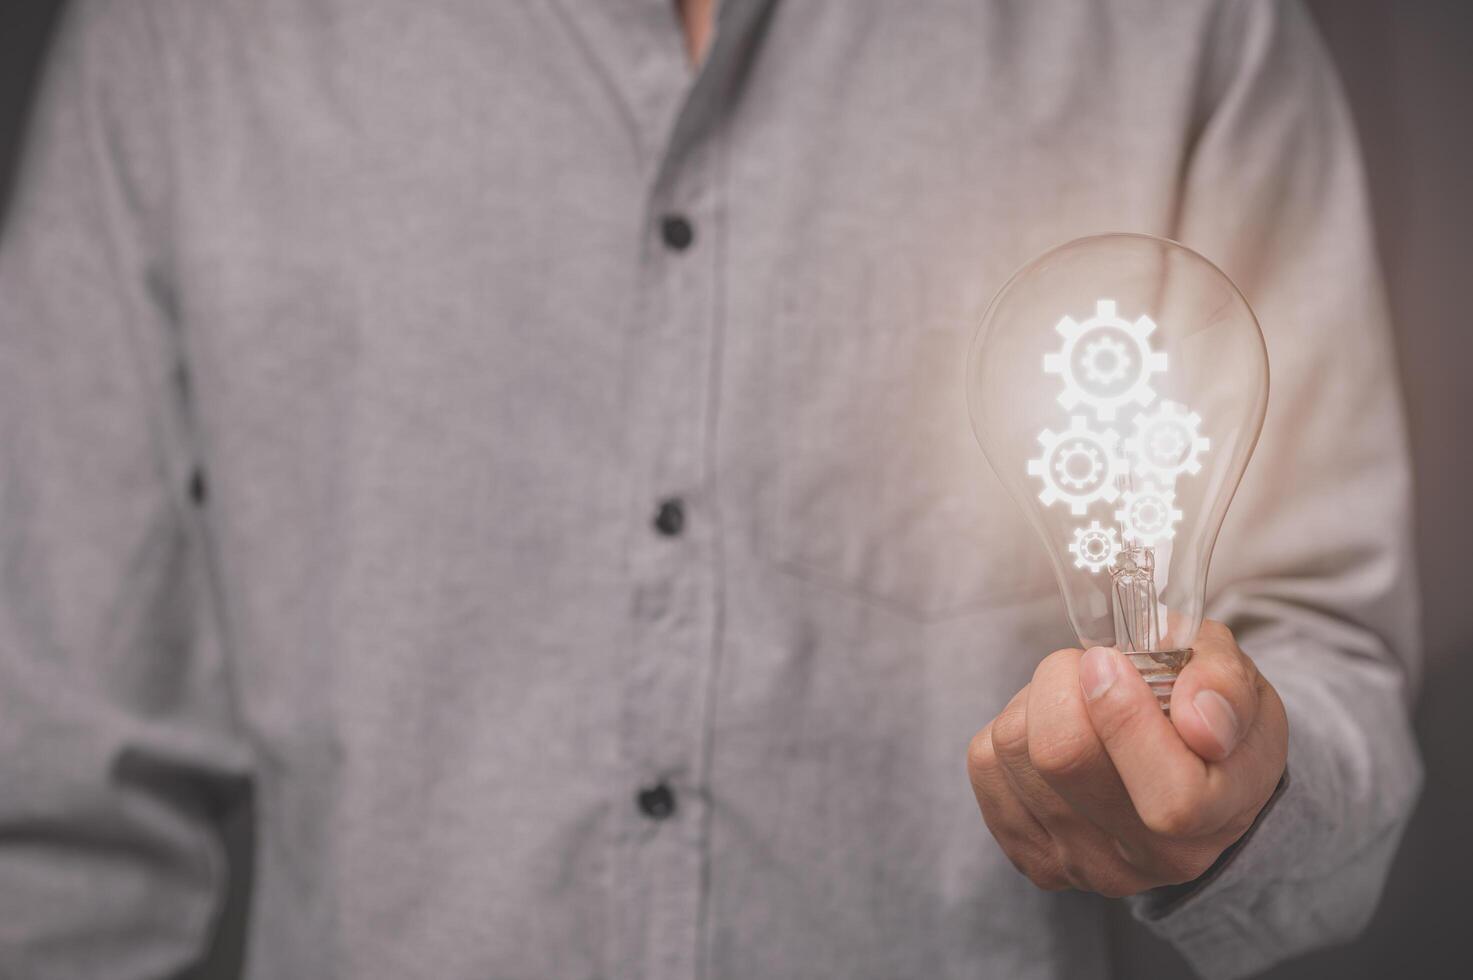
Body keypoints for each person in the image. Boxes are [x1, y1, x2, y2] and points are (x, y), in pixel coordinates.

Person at [0, 1, 1420, 978]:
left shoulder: (1173, 29)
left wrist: (1233, 791)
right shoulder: (183, 43)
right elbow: (51, 821)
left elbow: (1325, 664)